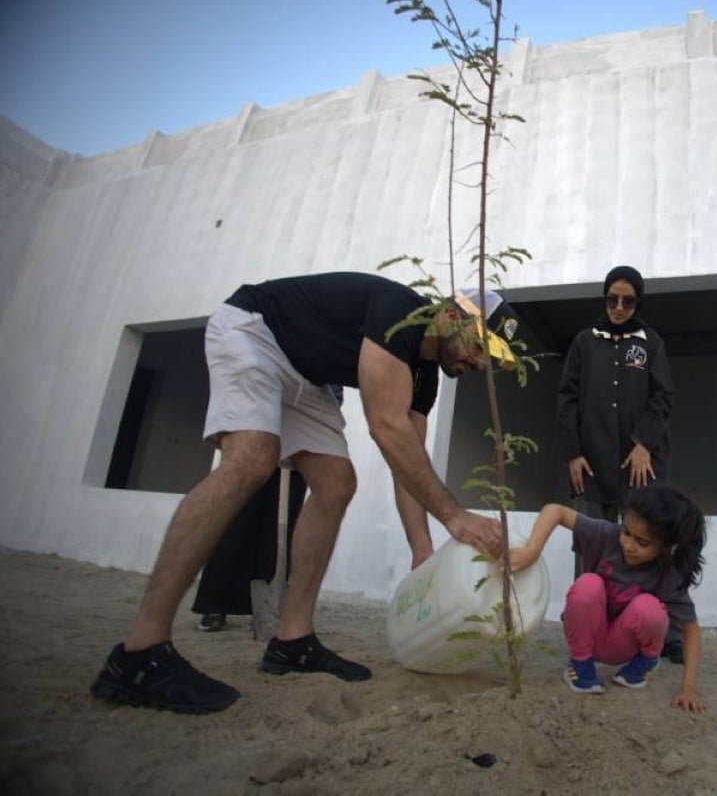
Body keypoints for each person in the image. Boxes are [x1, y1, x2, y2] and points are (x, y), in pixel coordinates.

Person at [91, 272, 520, 714]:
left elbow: (404, 460)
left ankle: (291, 641)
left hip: (304, 372)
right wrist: (455, 517)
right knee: (253, 458)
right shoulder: (402, 313)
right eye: (481, 345)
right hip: (256, 329)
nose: (481, 362)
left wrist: (422, 550)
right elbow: (385, 427)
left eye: (493, 356)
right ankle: (140, 651)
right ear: (451, 315)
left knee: (336, 483)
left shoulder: (424, 377)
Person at [555, 266, 681, 660]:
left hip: (638, 466)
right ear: (604, 299)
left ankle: (664, 633)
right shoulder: (584, 342)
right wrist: (573, 452)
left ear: (637, 301)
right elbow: (567, 399)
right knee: (590, 545)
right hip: (590, 465)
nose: (619, 307)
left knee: (650, 544)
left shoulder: (651, 343)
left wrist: (644, 442)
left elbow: (663, 397)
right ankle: (585, 632)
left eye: (628, 300)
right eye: (612, 299)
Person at [509, 485, 708, 714]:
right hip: (589, 636)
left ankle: (645, 663)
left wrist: (689, 688)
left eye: (642, 543)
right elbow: (555, 511)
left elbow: (691, 630)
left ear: (666, 547)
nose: (628, 545)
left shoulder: (668, 575)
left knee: (649, 608)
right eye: (626, 532)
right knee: (588, 584)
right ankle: (581, 666)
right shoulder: (606, 536)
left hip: (624, 646)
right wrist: (531, 551)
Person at [191, 470, 306, 632]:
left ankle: (265, 610)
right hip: (254, 455)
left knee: (279, 534)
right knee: (236, 527)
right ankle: (215, 606)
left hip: (297, 459)